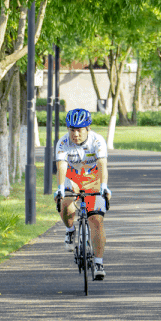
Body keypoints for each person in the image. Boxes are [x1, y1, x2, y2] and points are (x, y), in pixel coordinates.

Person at [53, 107, 111, 280]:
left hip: (94, 179)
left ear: (88, 129)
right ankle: (70, 230)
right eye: (72, 130)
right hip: (73, 178)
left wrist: (104, 186)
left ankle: (99, 262)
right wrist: (61, 188)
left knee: (96, 220)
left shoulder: (97, 141)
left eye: (79, 130)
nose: (75, 134)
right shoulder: (63, 143)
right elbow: (61, 166)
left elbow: (102, 164)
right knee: (65, 202)